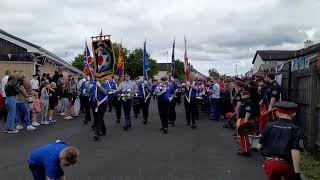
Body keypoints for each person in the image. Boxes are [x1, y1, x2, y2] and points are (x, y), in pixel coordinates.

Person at [257, 101, 303, 180]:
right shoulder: (295, 129)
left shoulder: (268, 126)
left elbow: (259, 146)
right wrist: (297, 173)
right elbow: (295, 151)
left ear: (277, 113)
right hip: (286, 164)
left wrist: (268, 158)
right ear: (293, 114)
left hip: (270, 163)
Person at [237, 87, 254, 155]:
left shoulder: (248, 101)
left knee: (244, 136)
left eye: (243, 94)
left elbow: (248, 112)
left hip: (245, 119)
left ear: (248, 95)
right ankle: (244, 148)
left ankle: (246, 150)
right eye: (242, 94)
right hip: (242, 119)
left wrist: (245, 121)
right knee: (242, 135)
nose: (242, 95)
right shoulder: (244, 101)